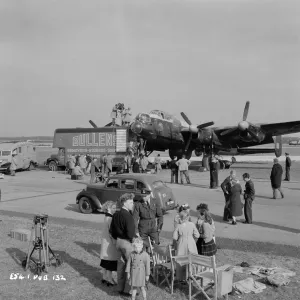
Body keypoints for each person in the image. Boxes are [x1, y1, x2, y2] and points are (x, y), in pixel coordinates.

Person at [110, 193, 136, 297]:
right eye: (130, 202)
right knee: (132, 266)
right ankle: (128, 290)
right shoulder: (128, 216)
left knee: (121, 266)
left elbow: (111, 230)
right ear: (124, 203)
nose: (132, 204)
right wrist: (133, 239)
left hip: (118, 242)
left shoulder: (116, 214)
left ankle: (120, 288)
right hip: (127, 243)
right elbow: (130, 233)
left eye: (132, 202)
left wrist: (117, 239)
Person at [173, 210, 199, 281]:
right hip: (191, 242)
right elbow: (197, 235)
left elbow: (175, 237)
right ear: (188, 217)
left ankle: (181, 277)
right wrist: (192, 238)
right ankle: (192, 275)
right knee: (192, 259)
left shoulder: (179, 226)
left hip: (182, 243)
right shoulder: (192, 224)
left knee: (181, 259)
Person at [100, 201, 119, 286]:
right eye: (114, 208)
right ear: (109, 208)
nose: (115, 210)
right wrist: (116, 242)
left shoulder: (105, 217)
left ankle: (104, 277)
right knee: (110, 263)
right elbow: (112, 233)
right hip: (110, 243)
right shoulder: (110, 219)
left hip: (105, 242)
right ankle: (109, 279)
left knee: (105, 261)